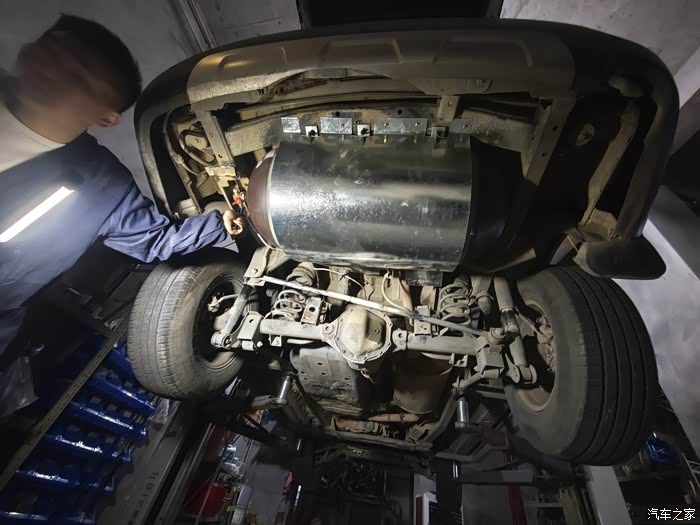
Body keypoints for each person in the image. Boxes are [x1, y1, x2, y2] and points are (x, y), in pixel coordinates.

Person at [0, 15, 244, 414]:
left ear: (107, 116)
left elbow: (157, 241)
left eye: (77, 74)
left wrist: (219, 222)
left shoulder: (103, 186)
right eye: (51, 50)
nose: (52, 70)